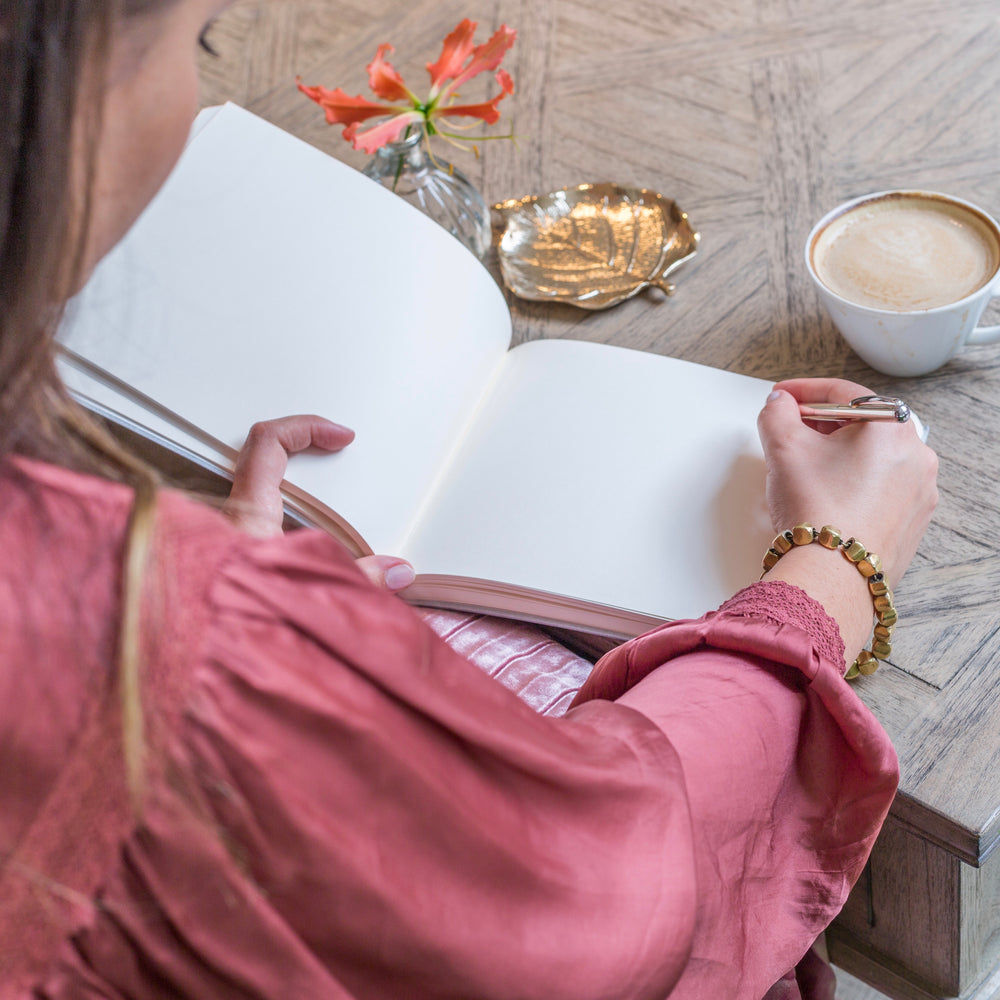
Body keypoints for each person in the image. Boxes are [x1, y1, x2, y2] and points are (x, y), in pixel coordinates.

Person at [0, 0, 939, 997]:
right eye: (199, 44)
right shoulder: (136, 649)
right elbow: (599, 899)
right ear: (44, 100)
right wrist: (831, 573)